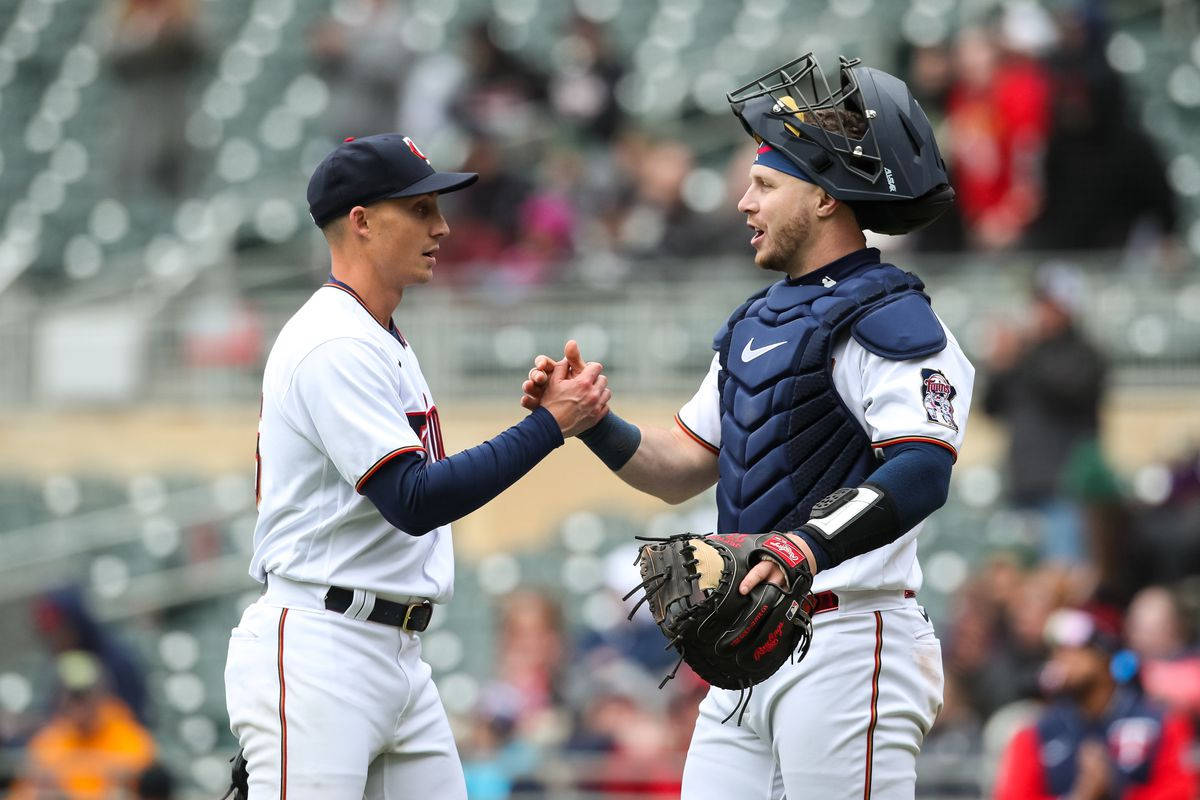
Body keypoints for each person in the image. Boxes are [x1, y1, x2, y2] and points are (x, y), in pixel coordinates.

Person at [524, 54, 973, 798]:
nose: (744, 202)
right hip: (749, 640)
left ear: (826, 198)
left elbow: (923, 468)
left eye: (765, 185)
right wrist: (592, 422)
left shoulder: (892, 318)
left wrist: (804, 546)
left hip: (849, 631)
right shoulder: (755, 325)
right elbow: (678, 468)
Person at [223, 133, 609, 799]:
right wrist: (549, 427)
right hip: (322, 648)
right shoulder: (333, 341)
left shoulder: (376, 334)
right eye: (421, 209)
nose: (443, 227)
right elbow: (414, 499)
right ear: (362, 222)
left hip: (392, 649)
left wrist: (546, 422)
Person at [994, 607, 1196, 800]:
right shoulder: (1035, 734)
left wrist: (1114, 791)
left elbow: (1181, 792)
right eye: (1058, 651)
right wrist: (1080, 796)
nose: (1062, 659)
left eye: (1075, 650)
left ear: (1105, 653)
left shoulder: (1162, 724)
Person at [982, 264, 1107, 563]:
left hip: (1066, 489)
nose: (1041, 312)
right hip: (1020, 486)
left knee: (1061, 577)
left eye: (1050, 304)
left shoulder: (1086, 354)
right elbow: (991, 406)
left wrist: (1023, 350)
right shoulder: (1027, 356)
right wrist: (999, 364)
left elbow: (1065, 390)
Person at [10, 651, 155, 799]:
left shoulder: (132, 740)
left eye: (82, 695)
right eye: (69, 694)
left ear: (102, 693)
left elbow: (150, 790)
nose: (75, 704)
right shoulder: (47, 742)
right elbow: (22, 793)